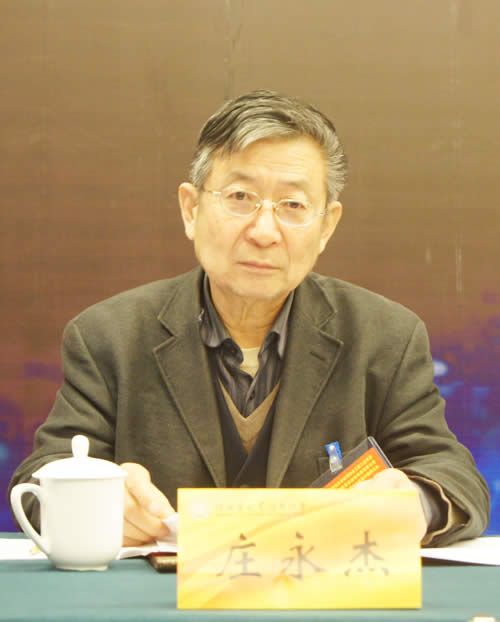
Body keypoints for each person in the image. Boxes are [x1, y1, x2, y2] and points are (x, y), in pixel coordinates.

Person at [9, 90, 489, 547]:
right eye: (240, 197)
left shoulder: (385, 337)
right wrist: (95, 503)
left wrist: (416, 503)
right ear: (191, 209)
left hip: (322, 593)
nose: (263, 231)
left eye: (293, 206)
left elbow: (453, 477)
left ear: (327, 226)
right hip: (161, 595)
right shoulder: (109, 337)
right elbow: (38, 480)